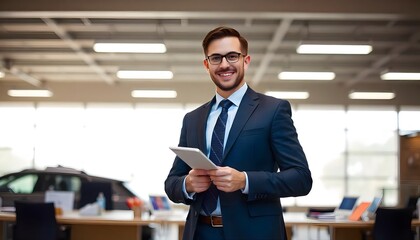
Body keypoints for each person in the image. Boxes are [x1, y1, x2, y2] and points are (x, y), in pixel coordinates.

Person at [165, 26, 312, 240]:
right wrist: (187, 184)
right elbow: (171, 183)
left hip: (255, 234)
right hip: (201, 233)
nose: (224, 64)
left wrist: (245, 181)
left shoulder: (273, 110)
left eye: (232, 56)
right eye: (216, 58)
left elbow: (301, 178)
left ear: (246, 60)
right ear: (207, 65)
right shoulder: (192, 119)